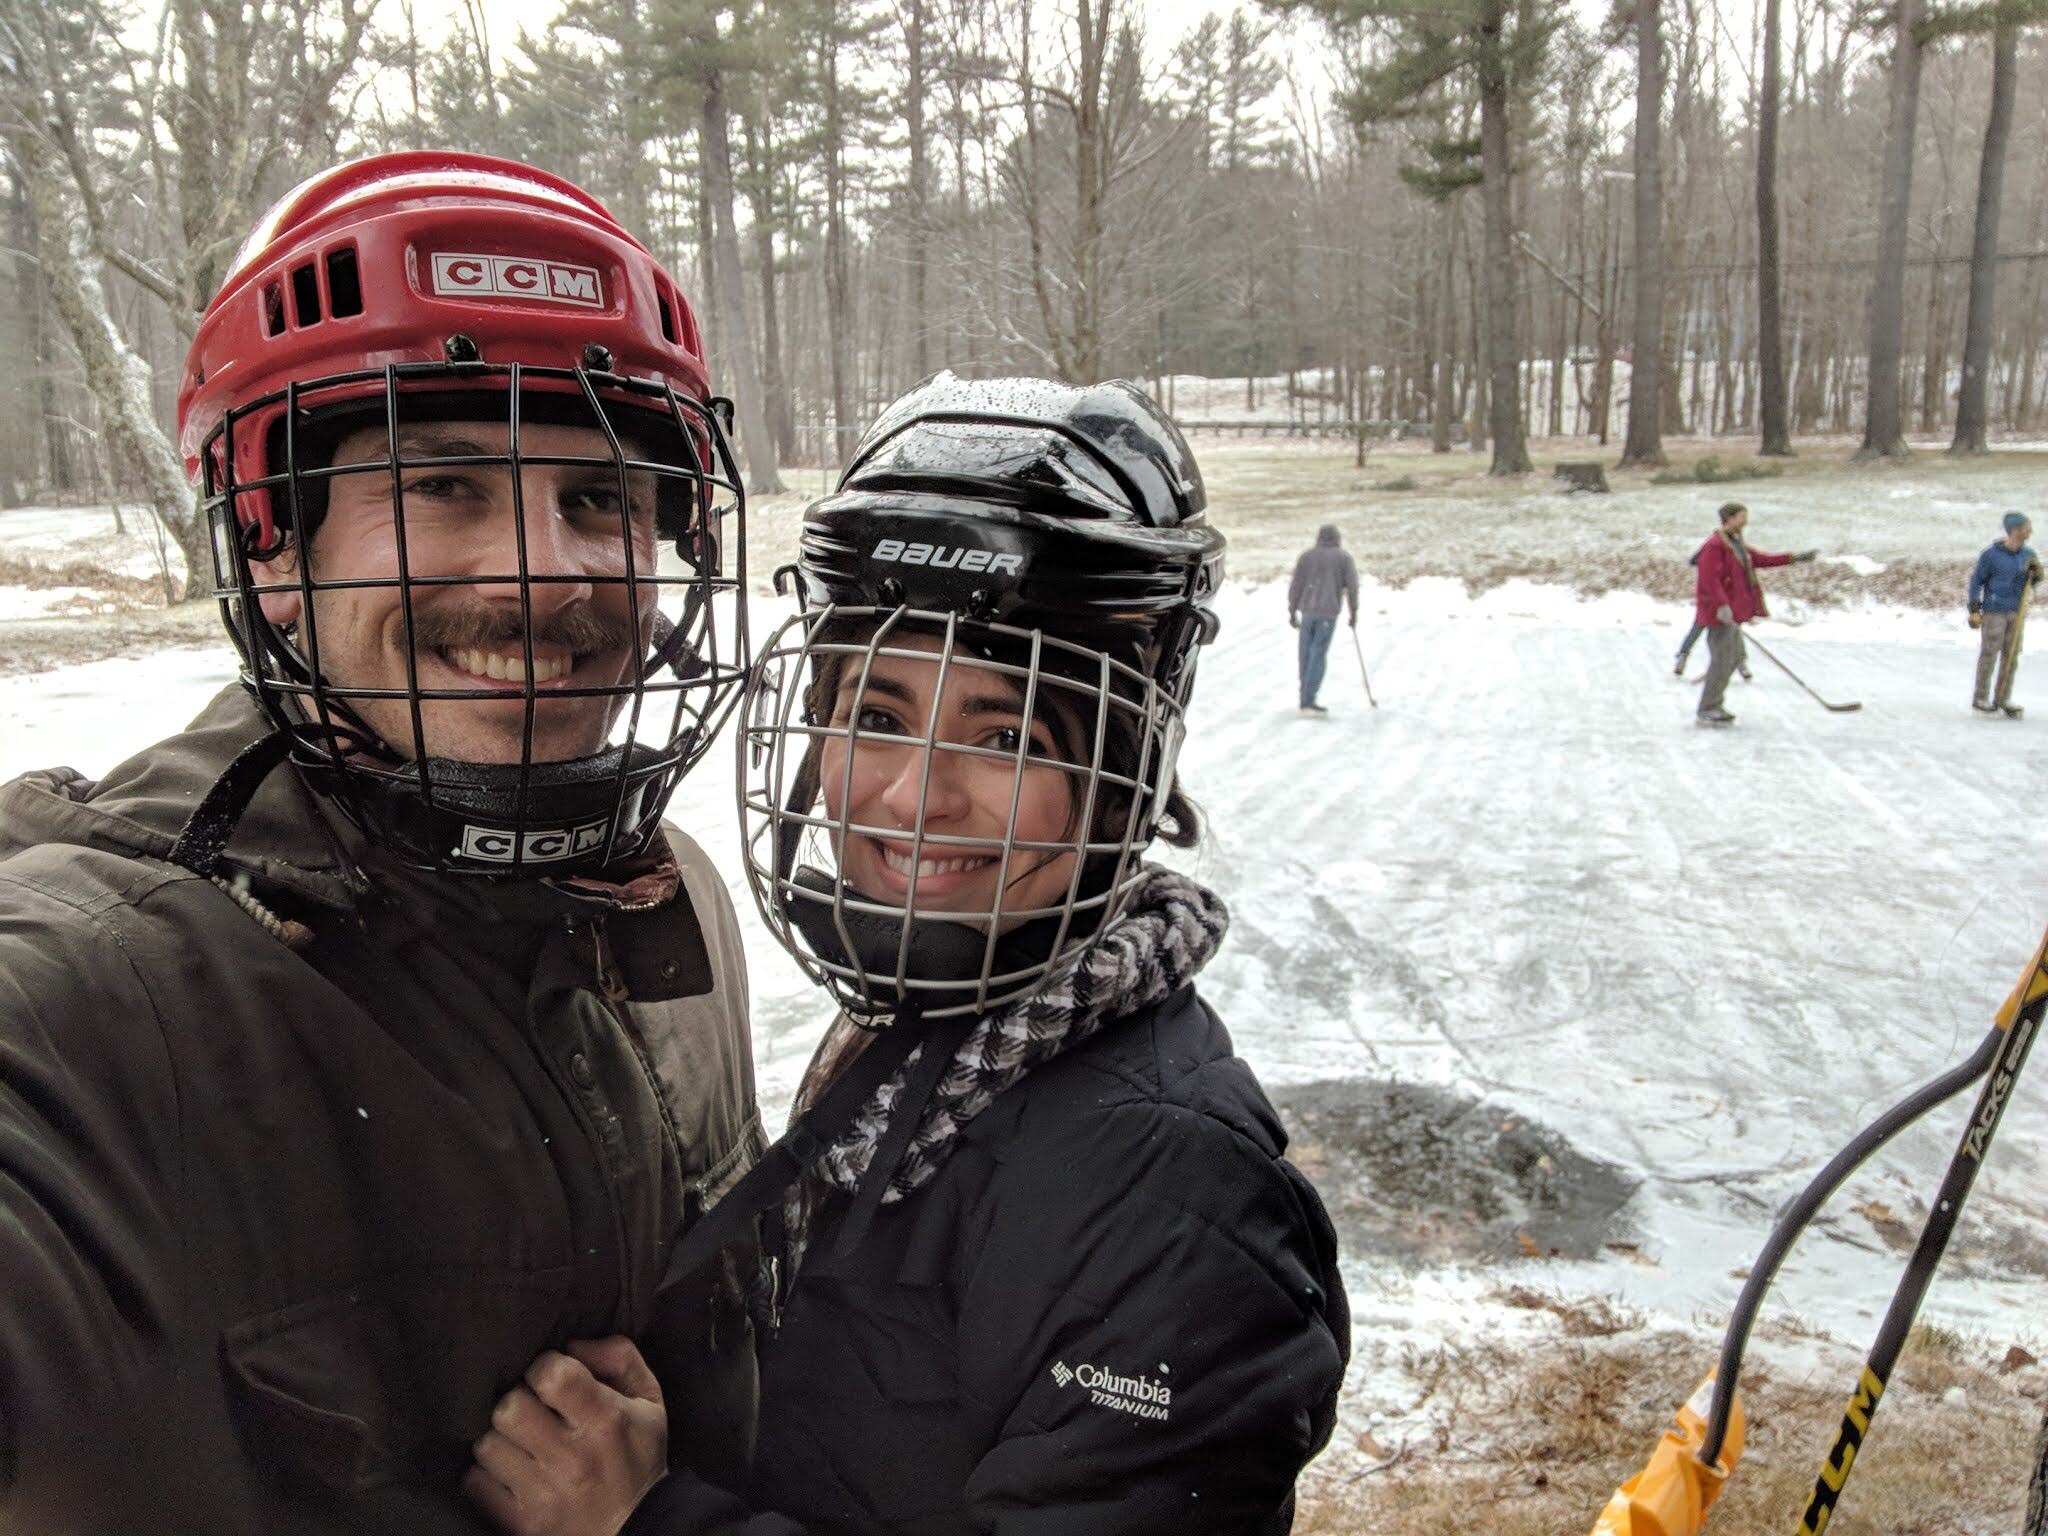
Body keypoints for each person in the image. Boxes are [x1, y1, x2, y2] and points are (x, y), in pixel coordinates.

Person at [0, 153, 765, 1532]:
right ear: (273, 546)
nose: (544, 575)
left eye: (600, 499)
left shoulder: (672, 904)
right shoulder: (94, 997)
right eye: (443, 485)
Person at [465, 375, 1351, 1536]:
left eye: (1002, 734)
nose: (913, 796)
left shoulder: (1180, 1202)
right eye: (875, 716)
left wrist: (641, 1524)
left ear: (1122, 772)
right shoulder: (924, 1040)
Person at [1692, 500, 1816, 726]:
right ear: (1729, 519)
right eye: (1741, 517)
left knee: (1734, 658)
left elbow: (1760, 559)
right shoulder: (1714, 546)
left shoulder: (1735, 543)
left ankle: (1713, 704)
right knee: (1723, 661)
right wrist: (1721, 605)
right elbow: (1709, 580)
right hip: (1719, 614)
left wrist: (1794, 558)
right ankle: (1708, 707)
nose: (1745, 521)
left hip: (1732, 613)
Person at [1968, 511, 2043, 718]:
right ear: (2015, 530)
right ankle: (1980, 697)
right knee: (1990, 652)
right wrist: (1974, 609)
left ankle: (2003, 696)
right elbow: (1977, 581)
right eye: (2026, 528)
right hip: (1994, 610)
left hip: (2016, 611)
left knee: (2011, 655)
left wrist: (2037, 573)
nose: (2030, 532)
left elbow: (2034, 580)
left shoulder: (2028, 554)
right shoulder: (1991, 555)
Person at [1287, 522, 1359, 716]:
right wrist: (1354, 613)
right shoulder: (1343, 558)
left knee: (1305, 655)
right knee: (1318, 654)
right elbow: (1352, 587)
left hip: (1307, 612)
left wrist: (1292, 611)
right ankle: (1308, 701)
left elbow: (1296, 585)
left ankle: (1304, 698)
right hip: (1328, 613)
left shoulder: (1306, 557)